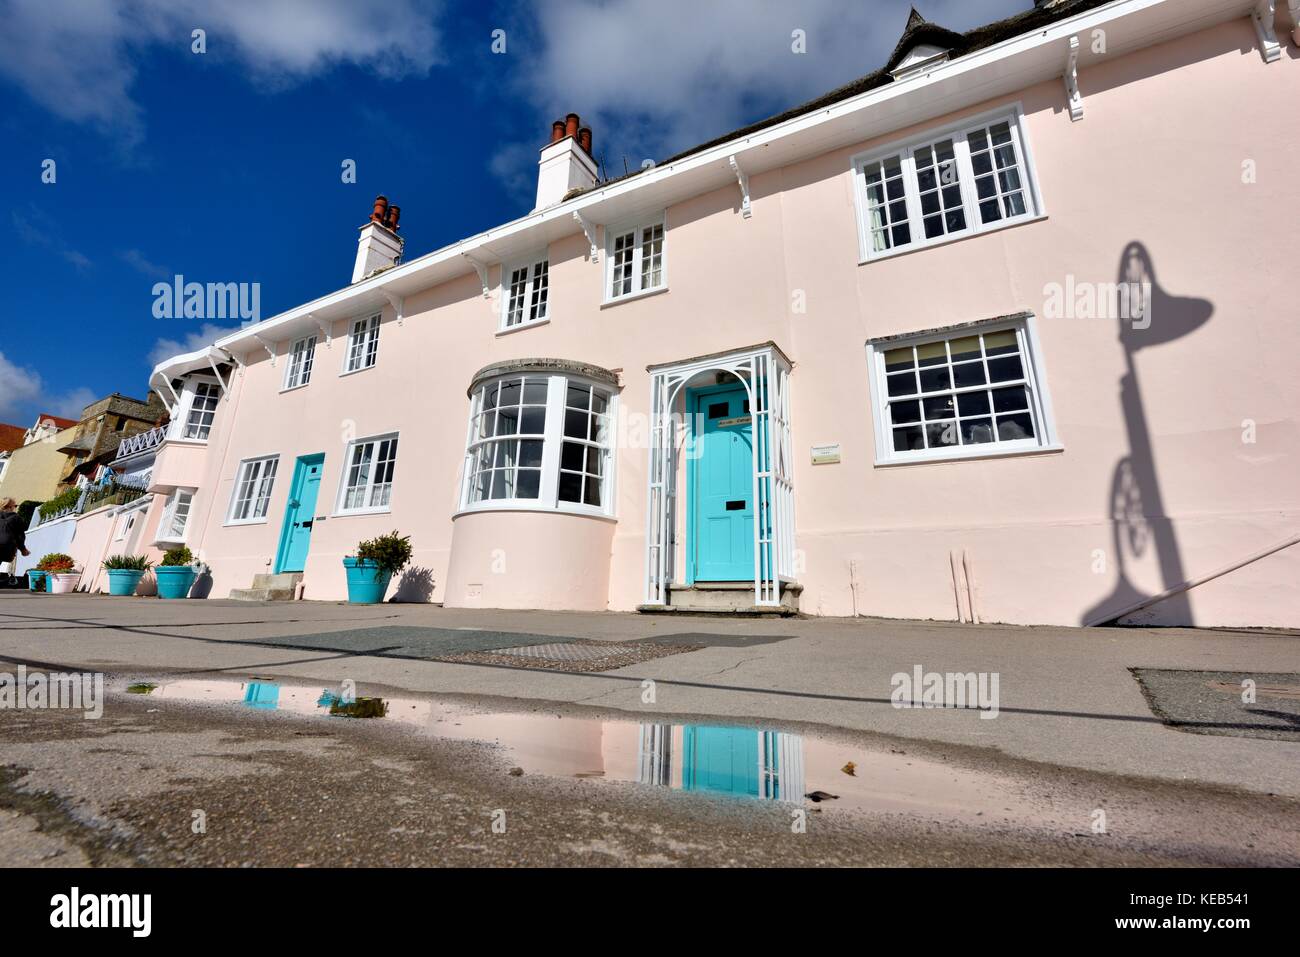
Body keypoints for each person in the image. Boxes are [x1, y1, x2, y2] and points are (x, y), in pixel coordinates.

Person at [0, 498, 30, 587]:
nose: (15, 508)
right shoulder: (16, 518)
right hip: (7, 545)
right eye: (15, 506)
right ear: (10, 506)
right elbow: (19, 536)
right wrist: (23, 549)